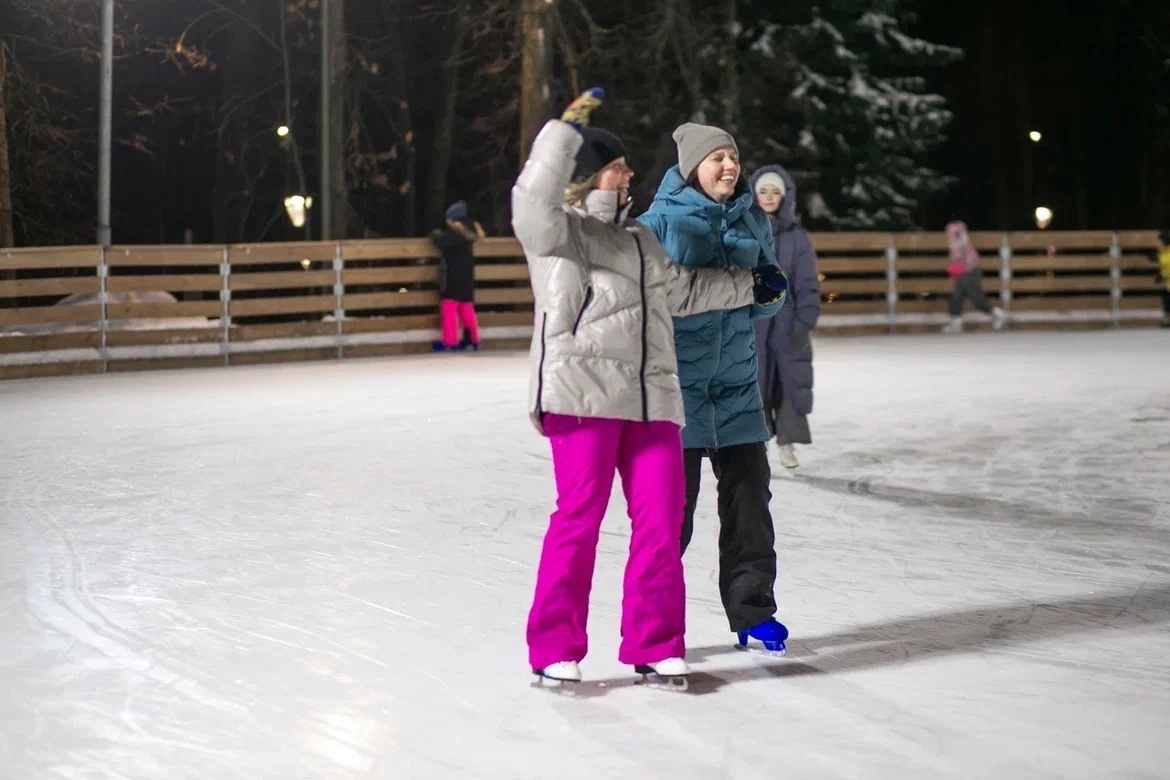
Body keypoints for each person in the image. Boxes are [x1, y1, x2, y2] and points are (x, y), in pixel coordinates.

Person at [512, 89, 787, 687]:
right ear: (587, 175)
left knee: (661, 520)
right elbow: (531, 199)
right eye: (615, 164)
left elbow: (685, 292)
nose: (628, 172)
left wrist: (749, 284)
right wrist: (562, 133)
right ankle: (556, 646)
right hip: (582, 395)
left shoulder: (640, 240)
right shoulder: (560, 235)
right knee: (579, 518)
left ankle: (655, 642)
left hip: (652, 400)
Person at [638, 122, 791, 654]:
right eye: (717, 158)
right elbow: (663, 298)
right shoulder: (654, 224)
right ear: (691, 168)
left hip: (737, 387)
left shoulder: (751, 217)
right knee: (669, 519)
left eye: (733, 155)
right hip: (675, 391)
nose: (729, 166)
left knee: (751, 509)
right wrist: (748, 287)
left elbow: (762, 292)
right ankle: (653, 627)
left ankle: (753, 612)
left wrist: (770, 295)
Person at [750, 164, 821, 470]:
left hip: (788, 323)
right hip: (754, 324)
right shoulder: (744, 231)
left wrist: (804, 322)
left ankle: (787, 443)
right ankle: (755, 445)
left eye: (775, 192)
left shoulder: (797, 238)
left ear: (785, 196)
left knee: (789, 384)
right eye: (763, 191)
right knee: (754, 384)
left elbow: (808, 284)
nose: (769, 197)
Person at [429, 201, 483, 351]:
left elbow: (441, 241)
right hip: (466, 278)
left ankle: (450, 341)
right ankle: (473, 338)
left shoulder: (456, 234)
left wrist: (435, 235)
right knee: (466, 307)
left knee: (449, 308)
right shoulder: (469, 233)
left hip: (452, 277)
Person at [943, 220, 1008, 333]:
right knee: (956, 297)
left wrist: (956, 269)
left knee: (976, 298)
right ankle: (956, 322)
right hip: (963, 274)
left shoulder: (962, 244)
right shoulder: (956, 245)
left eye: (951, 233)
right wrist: (954, 270)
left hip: (970, 273)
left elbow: (968, 261)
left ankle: (997, 314)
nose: (949, 236)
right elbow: (956, 262)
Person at [1152, 229, 1170, 328]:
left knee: (1167, 297)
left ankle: (1167, 319)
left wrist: (1162, 276)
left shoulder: (1166, 254)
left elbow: (1167, 266)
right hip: (1168, 282)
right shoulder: (1163, 252)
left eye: (1160, 241)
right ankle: (1167, 318)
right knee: (1166, 296)